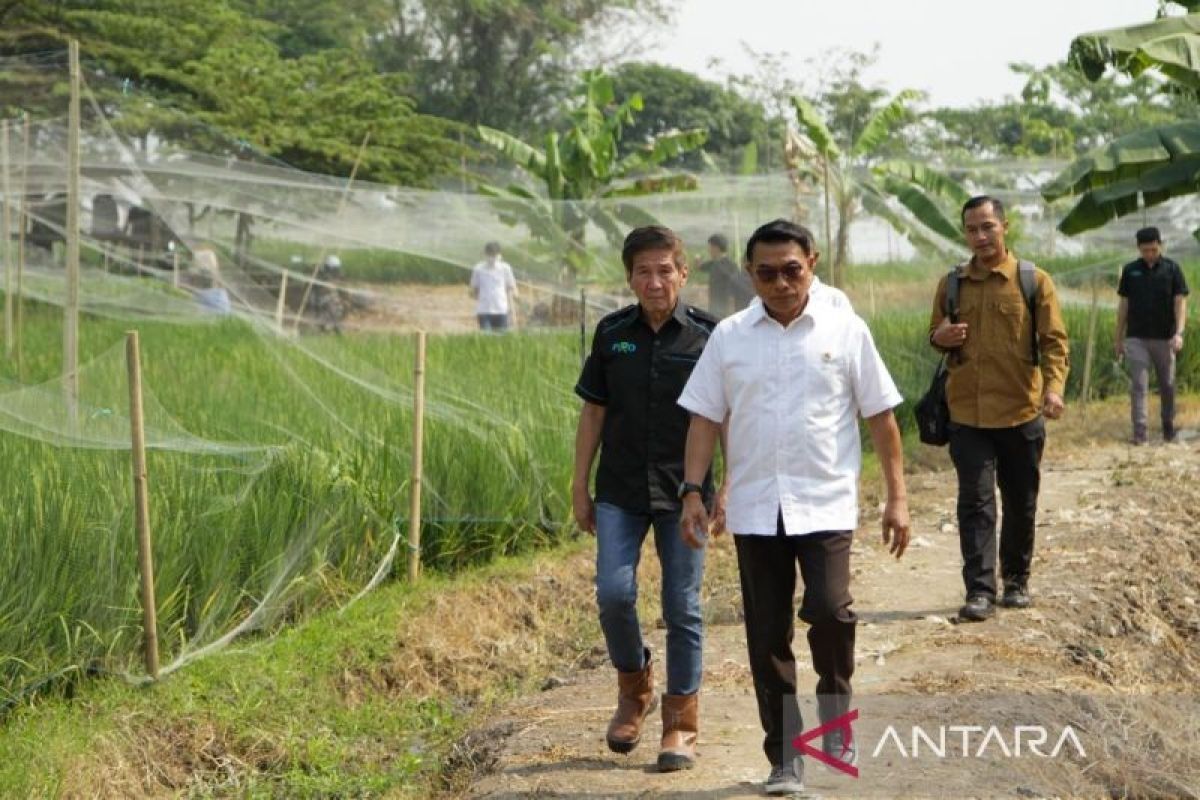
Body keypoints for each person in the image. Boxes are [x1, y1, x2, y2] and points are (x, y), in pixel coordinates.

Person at [677, 219, 910, 796]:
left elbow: (881, 416)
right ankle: (785, 756)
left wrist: (897, 497)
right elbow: (705, 416)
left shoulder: (844, 328)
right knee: (766, 635)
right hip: (757, 508)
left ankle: (836, 717)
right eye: (766, 273)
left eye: (791, 270)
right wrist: (693, 491)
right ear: (751, 273)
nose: (780, 283)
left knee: (830, 611)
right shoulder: (730, 337)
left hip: (826, 500)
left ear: (813, 262)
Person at [572, 226, 720, 772]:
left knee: (682, 606)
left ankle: (681, 723)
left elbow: (722, 414)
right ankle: (634, 688)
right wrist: (578, 485)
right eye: (643, 272)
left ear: (683, 272)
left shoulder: (710, 334)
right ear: (629, 277)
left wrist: (723, 488)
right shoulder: (613, 334)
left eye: (665, 270)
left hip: (687, 494)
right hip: (620, 489)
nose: (654, 282)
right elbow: (594, 412)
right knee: (613, 593)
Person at [928, 195, 1069, 623]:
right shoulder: (952, 284)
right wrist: (943, 336)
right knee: (974, 502)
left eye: (988, 226)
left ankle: (1017, 581)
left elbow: (1054, 342)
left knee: (1021, 500)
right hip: (966, 415)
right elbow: (934, 333)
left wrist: (1054, 389)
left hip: (1020, 411)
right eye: (972, 229)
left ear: (1004, 226)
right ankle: (980, 591)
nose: (980, 236)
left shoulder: (1033, 281)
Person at [1115, 227, 1189, 444]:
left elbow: (1180, 303)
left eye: (1153, 249)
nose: (1150, 254)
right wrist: (1118, 338)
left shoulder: (1172, 269)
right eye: (1145, 250)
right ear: (1138, 248)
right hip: (1136, 337)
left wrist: (1179, 332)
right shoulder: (1130, 271)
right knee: (1139, 385)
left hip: (1165, 338)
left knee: (1167, 384)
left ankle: (1168, 426)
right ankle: (1140, 433)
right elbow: (1123, 305)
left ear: (1160, 245)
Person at [701, 233, 755, 317]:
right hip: (714, 306)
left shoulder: (731, 266)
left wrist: (731, 311)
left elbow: (736, 287)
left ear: (716, 248)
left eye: (710, 247)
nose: (709, 250)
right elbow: (701, 267)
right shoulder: (713, 263)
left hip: (726, 309)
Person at [469, 241, 518, 331]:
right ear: (485, 254)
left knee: (502, 338)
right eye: (490, 255)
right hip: (484, 311)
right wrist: (479, 298)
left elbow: (511, 288)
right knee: (487, 338)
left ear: (499, 255)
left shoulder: (505, 268)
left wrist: (512, 311)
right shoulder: (478, 269)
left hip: (501, 309)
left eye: (495, 255)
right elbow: (473, 289)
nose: (492, 258)